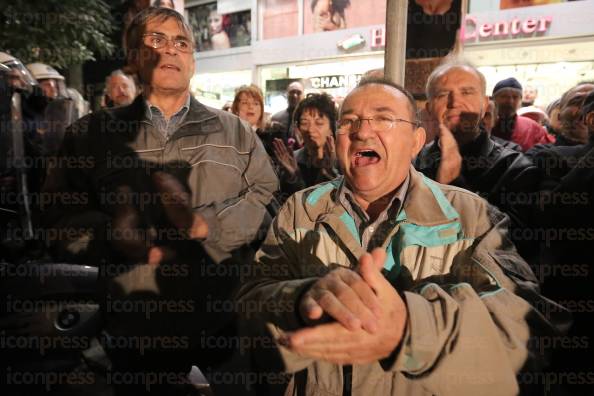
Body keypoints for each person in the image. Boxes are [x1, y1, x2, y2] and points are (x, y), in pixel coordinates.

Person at [237, 78, 566, 395]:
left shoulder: (469, 216)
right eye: (348, 121)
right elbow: (249, 310)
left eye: (383, 119)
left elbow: (530, 336)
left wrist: (411, 331)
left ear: (416, 141)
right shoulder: (301, 209)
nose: (363, 131)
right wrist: (299, 303)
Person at [42, 7, 278, 394]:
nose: (171, 50)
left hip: (226, 321)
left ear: (193, 61)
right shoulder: (90, 135)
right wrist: (111, 237)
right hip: (135, 328)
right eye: (156, 40)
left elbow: (270, 201)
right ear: (133, 59)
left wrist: (208, 226)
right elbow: (57, 218)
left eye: (181, 42)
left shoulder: (236, 132)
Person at [414, 59, 540, 262]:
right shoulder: (415, 161)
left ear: (484, 104)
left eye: (466, 92)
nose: (454, 102)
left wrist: (453, 185)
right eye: (443, 94)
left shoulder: (515, 169)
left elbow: (515, 247)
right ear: (429, 108)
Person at [272, 93, 340, 201]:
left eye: (319, 123)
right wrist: (292, 178)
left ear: (332, 127)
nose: (310, 129)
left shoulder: (342, 161)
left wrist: (331, 173)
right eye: (304, 123)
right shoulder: (292, 160)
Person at [491, 77, 554, 151]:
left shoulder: (533, 128)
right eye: (504, 96)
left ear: (520, 100)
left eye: (515, 97)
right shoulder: (483, 125)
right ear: (494, 99)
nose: (510, 101)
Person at [271, 80, 304, 146]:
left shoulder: (308, 120)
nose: (295, 95)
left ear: (303, 96)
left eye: (298, 92)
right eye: (292, 92)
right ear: (287, 95)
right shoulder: (276, 118)